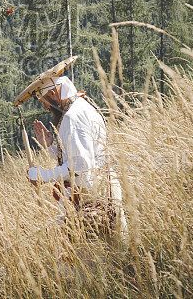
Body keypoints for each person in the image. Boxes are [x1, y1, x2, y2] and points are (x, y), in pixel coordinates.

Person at [26, 74, 127, 236]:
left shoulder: (72, 117)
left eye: (44, 101)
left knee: (92, 257)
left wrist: (42, 176)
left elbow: (80, 166)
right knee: (110, 253)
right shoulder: (81, 107)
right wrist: (50, 146)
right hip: (98, 192)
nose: (45, 107)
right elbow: (77, 158)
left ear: (53, 94)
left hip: (91, 198)